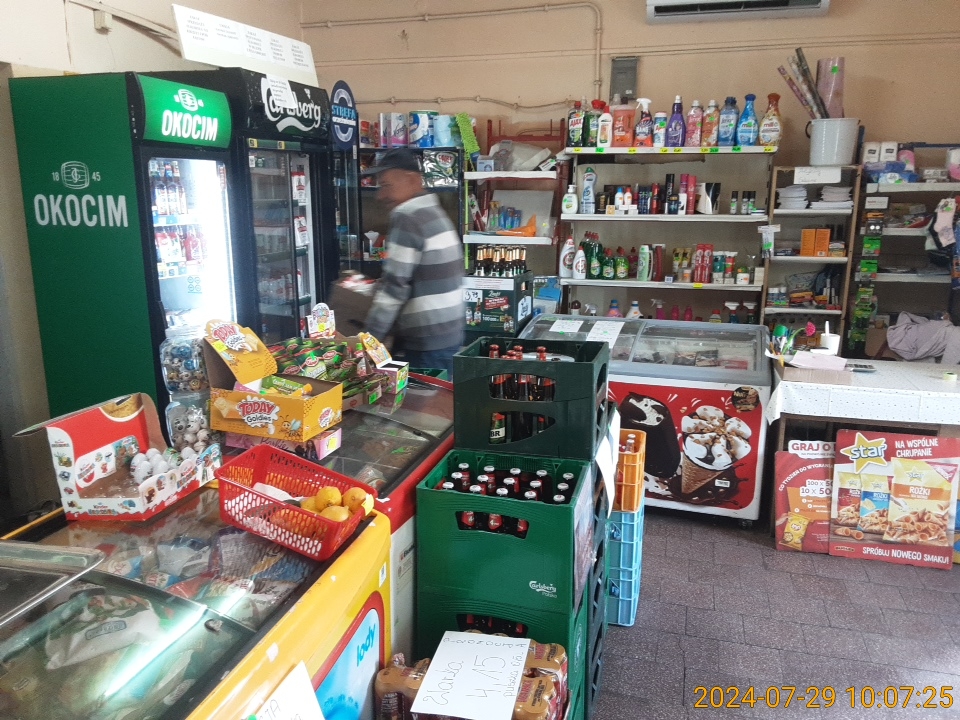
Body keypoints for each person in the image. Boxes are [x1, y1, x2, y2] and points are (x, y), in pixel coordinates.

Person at [363, 149, 464, 377]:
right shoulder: (432, 209)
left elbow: (394, 288)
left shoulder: (407, 215)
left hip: (426, 341)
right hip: (448, 333)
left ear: (412, 180)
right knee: (439, 397)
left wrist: (369, 340)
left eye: (386, 185)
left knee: (418, 400)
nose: (380, 195)